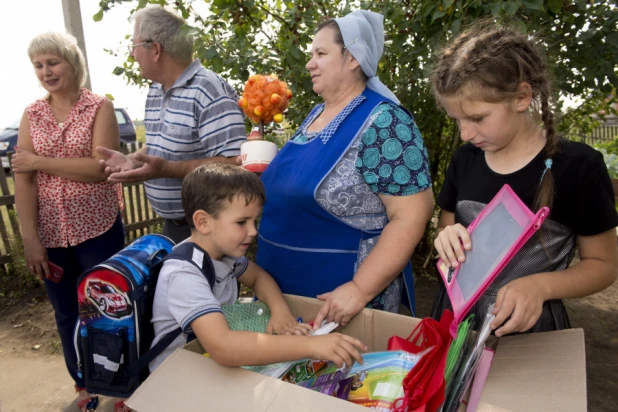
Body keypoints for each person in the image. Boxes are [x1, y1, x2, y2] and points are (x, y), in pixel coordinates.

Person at [430, 26, 618, 337]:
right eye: (457, 120)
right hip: (455, 325)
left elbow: (603, 265)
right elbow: (445, 230)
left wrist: (540, 285)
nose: (465, 134)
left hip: (529, 334)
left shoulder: (579, 166)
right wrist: (446, 237)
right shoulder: (465, 159)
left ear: (521, 97)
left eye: (477, 118)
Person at [256, 10, 434, 328]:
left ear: (353, 58)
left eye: (321, 53)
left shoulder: (386, 123)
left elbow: (412, 214)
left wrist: (359, 289)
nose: (309, 63)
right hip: (283, 300)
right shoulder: (314, 115)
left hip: (338, 305)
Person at [149, 163, 367, 373]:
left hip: (205, 363)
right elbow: (224, 347)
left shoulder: (222, 255)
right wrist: (310, 346)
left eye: (255, 221)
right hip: (179, 377)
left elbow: (258, 278)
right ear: (203, 222)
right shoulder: (185, 274)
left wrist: (280, 312)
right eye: (242, 222)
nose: (253, 231)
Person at [12, 32, 125, 411]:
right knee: (65, 313)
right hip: (51, 235)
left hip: (98, 228)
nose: (46, 71)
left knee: (109, 309)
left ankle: (121, 383)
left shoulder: (99, 106)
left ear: (72, 63)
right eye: (39, 65)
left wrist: (39, 161)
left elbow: (100, 169)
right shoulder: (32, 114)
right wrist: (31, 238)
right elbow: (22, 179)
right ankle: (84, 386)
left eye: (53, 62)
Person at [98, 5, 246, 244]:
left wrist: (166, 169)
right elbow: (160, 145)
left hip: (210, 227)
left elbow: (234, 164)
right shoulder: (156, 90)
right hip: (176, 226)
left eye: (133, 47)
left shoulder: (208, 90)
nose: (132, 55)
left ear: (155, 50)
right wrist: (133, 160)